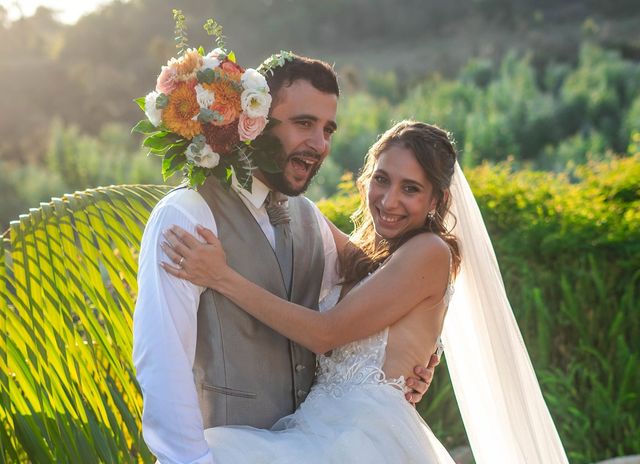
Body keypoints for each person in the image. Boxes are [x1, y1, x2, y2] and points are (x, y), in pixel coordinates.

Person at [163, 120, 570, 463]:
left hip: (363, 441)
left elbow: (325, 333)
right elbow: (291, 206)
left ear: (436, 199)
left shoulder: (429, 251)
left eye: (410, 189)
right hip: (322, 428)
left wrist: (221, 277)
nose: (389, 200)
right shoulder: (369, 253)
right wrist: (227, 137)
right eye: (382, 179)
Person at [133, 56, 437, 464]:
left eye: (328, 129)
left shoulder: (309, 218)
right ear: (253, 121)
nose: (320, 144)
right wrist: (190, 460)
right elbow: (162, 360)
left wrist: (406, 369)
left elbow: (378, 297)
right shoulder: (188, 215)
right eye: (303, 124)